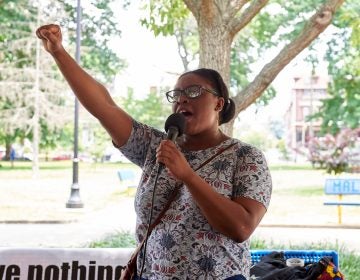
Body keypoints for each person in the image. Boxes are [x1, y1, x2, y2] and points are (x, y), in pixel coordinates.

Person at [36, 24, 272, 280]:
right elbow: (104, 106)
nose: (182, 99)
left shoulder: (246, 157)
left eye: (193, 92)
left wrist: (188, 176)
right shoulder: (155, 146)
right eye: (177, 94)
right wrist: (59, 52)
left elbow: (241, 227)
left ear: (219, 103)